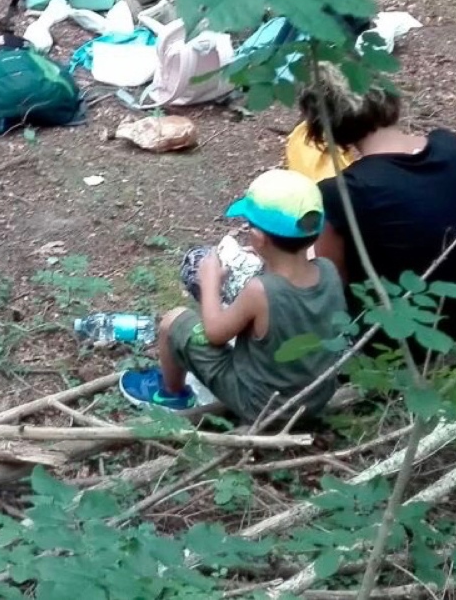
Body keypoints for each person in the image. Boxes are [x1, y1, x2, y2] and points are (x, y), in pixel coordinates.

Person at [118, 169, 350, 424]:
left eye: (250, 226)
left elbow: (215, 333)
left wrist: (210, 282)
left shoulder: (260, 291)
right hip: (314, 398)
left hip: (263, 406)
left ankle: (171, 394)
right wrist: (266, 255)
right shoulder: (327, 270)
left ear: (258, 238)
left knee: (174, 321)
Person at [300, 74, 456, 350]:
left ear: (326, 126)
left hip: (382, 341)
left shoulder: (343, 191)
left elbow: (332, 280)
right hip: (449, 323)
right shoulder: (450, 145)